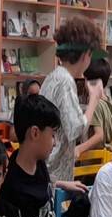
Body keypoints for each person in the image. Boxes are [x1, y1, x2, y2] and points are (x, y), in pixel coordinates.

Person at [41, 16, 104, 183]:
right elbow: (76, 129)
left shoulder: (54, 76)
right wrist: (94, 98)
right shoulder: (66, 81)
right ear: (86, 54)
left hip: (47, 168)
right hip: (53, 171)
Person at [80, 57, 112, 154]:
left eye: (85, 79)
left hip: (94, 158)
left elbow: (99, 136)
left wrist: (78, 149)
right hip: (108, 155)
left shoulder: (95, 104)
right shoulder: (109, 101)